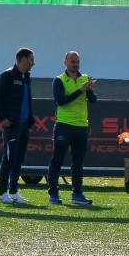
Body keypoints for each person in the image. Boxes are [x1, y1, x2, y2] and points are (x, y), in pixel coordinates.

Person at [48, 51, 98, 206]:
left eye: (77, 62)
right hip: (64, 125)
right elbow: (61, 101)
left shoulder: (84, 78)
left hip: (81, 125)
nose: (75, 64)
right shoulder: (59, 80)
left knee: (78, 162)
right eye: (72, 62)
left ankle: (77, 193)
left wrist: (88, 89)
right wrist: (80, 90)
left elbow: (94, 100)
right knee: (58, 159)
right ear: (65, 62)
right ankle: (53, 193)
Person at [0, 47, 37, 204]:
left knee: (18, 159)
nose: (33, 63)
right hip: (12, 125)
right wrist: (2, 118)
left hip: (24, 125)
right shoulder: (8, 75)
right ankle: (2, 192)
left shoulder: (26, 77)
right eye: (31, 59)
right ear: (23, 59)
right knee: (9, 158)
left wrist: (30, 120)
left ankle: (13, 191)